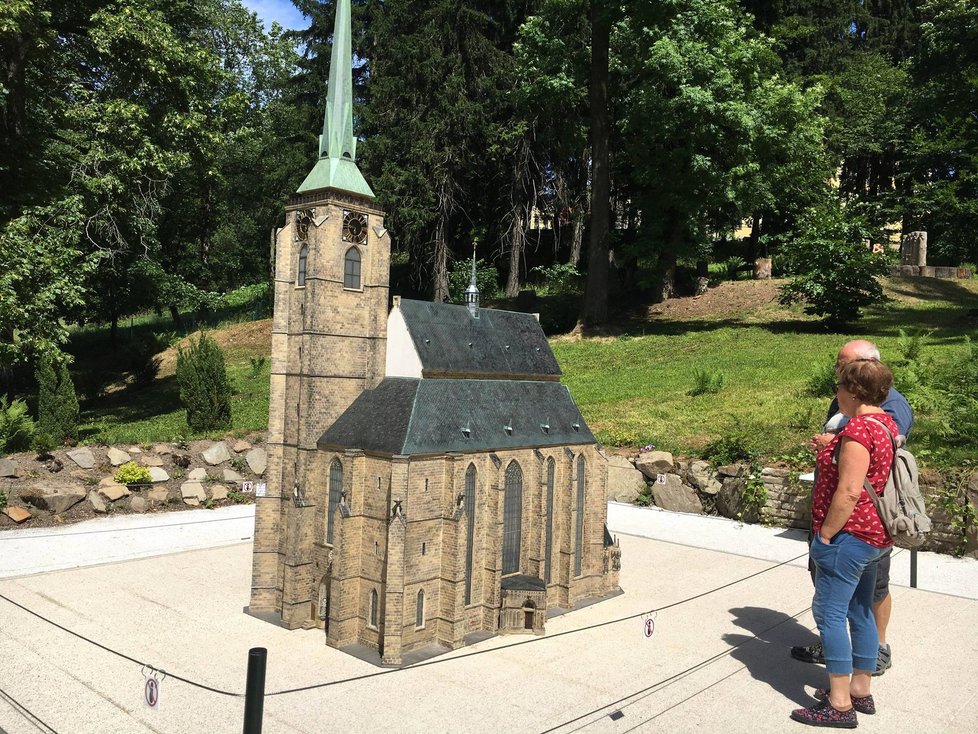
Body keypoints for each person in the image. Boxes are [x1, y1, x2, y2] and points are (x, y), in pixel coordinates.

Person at [791, 340, 912, 676]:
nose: (837, 375)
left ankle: (843, 696)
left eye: (842, 370)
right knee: (853, 606)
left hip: (852, 529)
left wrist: (826, 534)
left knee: (842, 607)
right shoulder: (869, 417)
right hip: (859, 528)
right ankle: (858, 682)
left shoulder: (877, 417)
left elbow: (850, 487)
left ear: (860, 383)